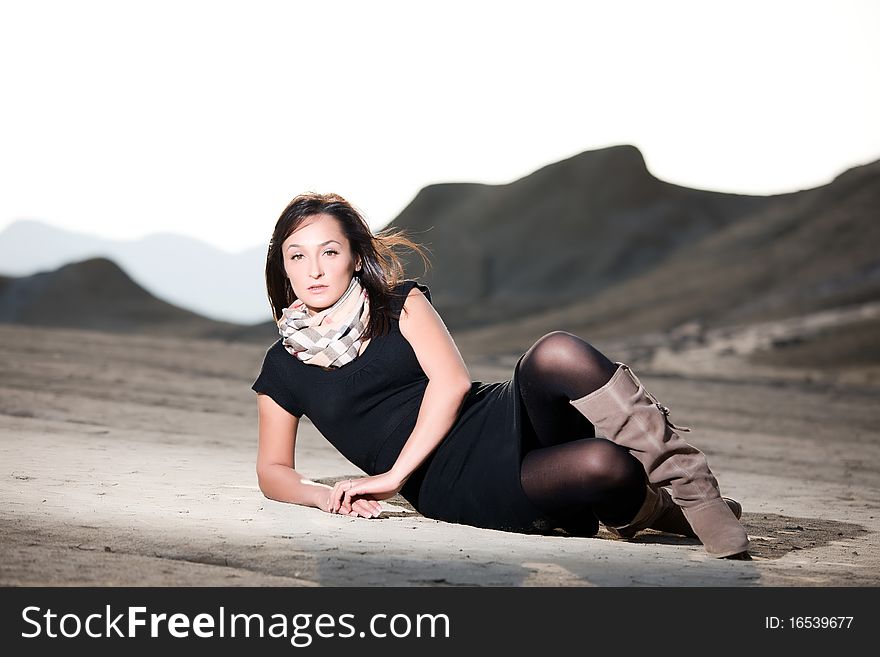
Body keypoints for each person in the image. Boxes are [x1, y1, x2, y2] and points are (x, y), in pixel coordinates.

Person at [251, 192, 750, 559]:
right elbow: (272, 470)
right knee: (605, 465)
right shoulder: (282, 366)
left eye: (329, 252)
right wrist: (325, 496)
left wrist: (390, 478)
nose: (314, 268)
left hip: (488, 416)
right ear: (284, 266)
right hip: (449, 480)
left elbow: (452, 385)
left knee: (556, 351)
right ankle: (649, 510)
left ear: (355, 258)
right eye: (299, 255)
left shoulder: (400, 303)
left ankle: (691, 489)